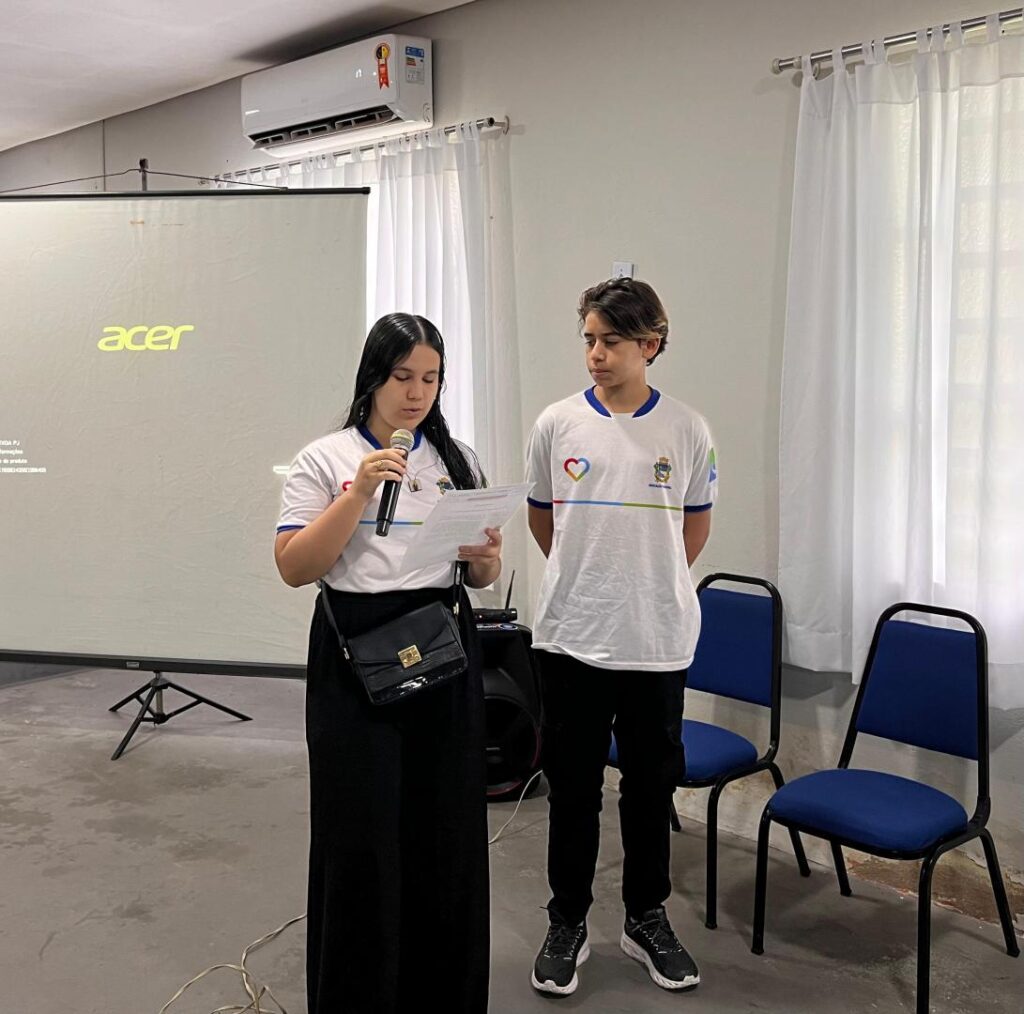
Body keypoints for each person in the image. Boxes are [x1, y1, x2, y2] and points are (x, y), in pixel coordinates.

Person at [274, 313, 501, 1014]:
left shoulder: (456, 460)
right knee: (360, 834)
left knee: (446, 830)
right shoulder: (325, 458)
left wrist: (486, 558)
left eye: (430, 379)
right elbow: (294, 566)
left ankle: (442, 994)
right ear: (373, 377)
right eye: (403, 377)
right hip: (355, 653)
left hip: (443, 645)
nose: (416, 394)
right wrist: (358, 493)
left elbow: (483, 576)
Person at [524, 277, 716, 997]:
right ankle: (567, 921)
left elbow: (694, 528)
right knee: (573, 790)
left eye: (611, 341)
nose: (596, 354)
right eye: (589, 340)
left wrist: (646, 584)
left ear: (650, 344)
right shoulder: (556, 424)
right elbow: (544, 520)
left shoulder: (687, 429)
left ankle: (646, 918)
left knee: (649, 789)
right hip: (572, 638)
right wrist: (590, 578)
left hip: (657, 641)